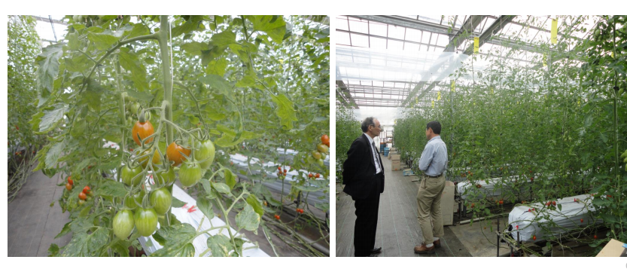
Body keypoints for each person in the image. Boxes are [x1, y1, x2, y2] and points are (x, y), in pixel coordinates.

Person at [342, 117, 385, 257]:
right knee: (363, 221)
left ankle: (368, 247)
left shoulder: (370, 143)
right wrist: (353, 186)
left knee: (372, 219)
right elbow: (349, 166)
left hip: (374, 187)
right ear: (370, 127)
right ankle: (361, 253)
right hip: (365, 190)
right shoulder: (360, 143)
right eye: (379, 126)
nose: (381, 128)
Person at [414, 120, 448, 254]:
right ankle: (436, 238)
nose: (425, 132)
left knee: (423, 214)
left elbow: (422, 166)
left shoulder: (431, 145)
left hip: (430, 181)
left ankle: (428, 245)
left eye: (426, 130)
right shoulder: (442, 144)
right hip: (440, 180)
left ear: (430, 130)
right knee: (436, 210)